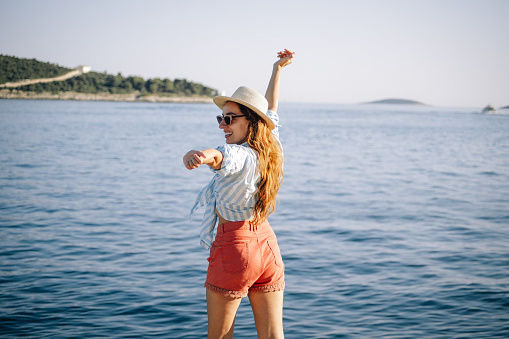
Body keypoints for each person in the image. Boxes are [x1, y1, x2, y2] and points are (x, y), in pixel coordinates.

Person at [183, 49, 295, 339]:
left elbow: (220, 156)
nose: (222, 125)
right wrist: (277, 70)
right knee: (273, 335)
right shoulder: (272, 146)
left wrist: (198, 155)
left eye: (229, 119)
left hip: (234, 247)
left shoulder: (238, 155)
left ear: (250, 122)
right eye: (220, 118)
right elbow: (272, 109)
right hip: (267, 246)